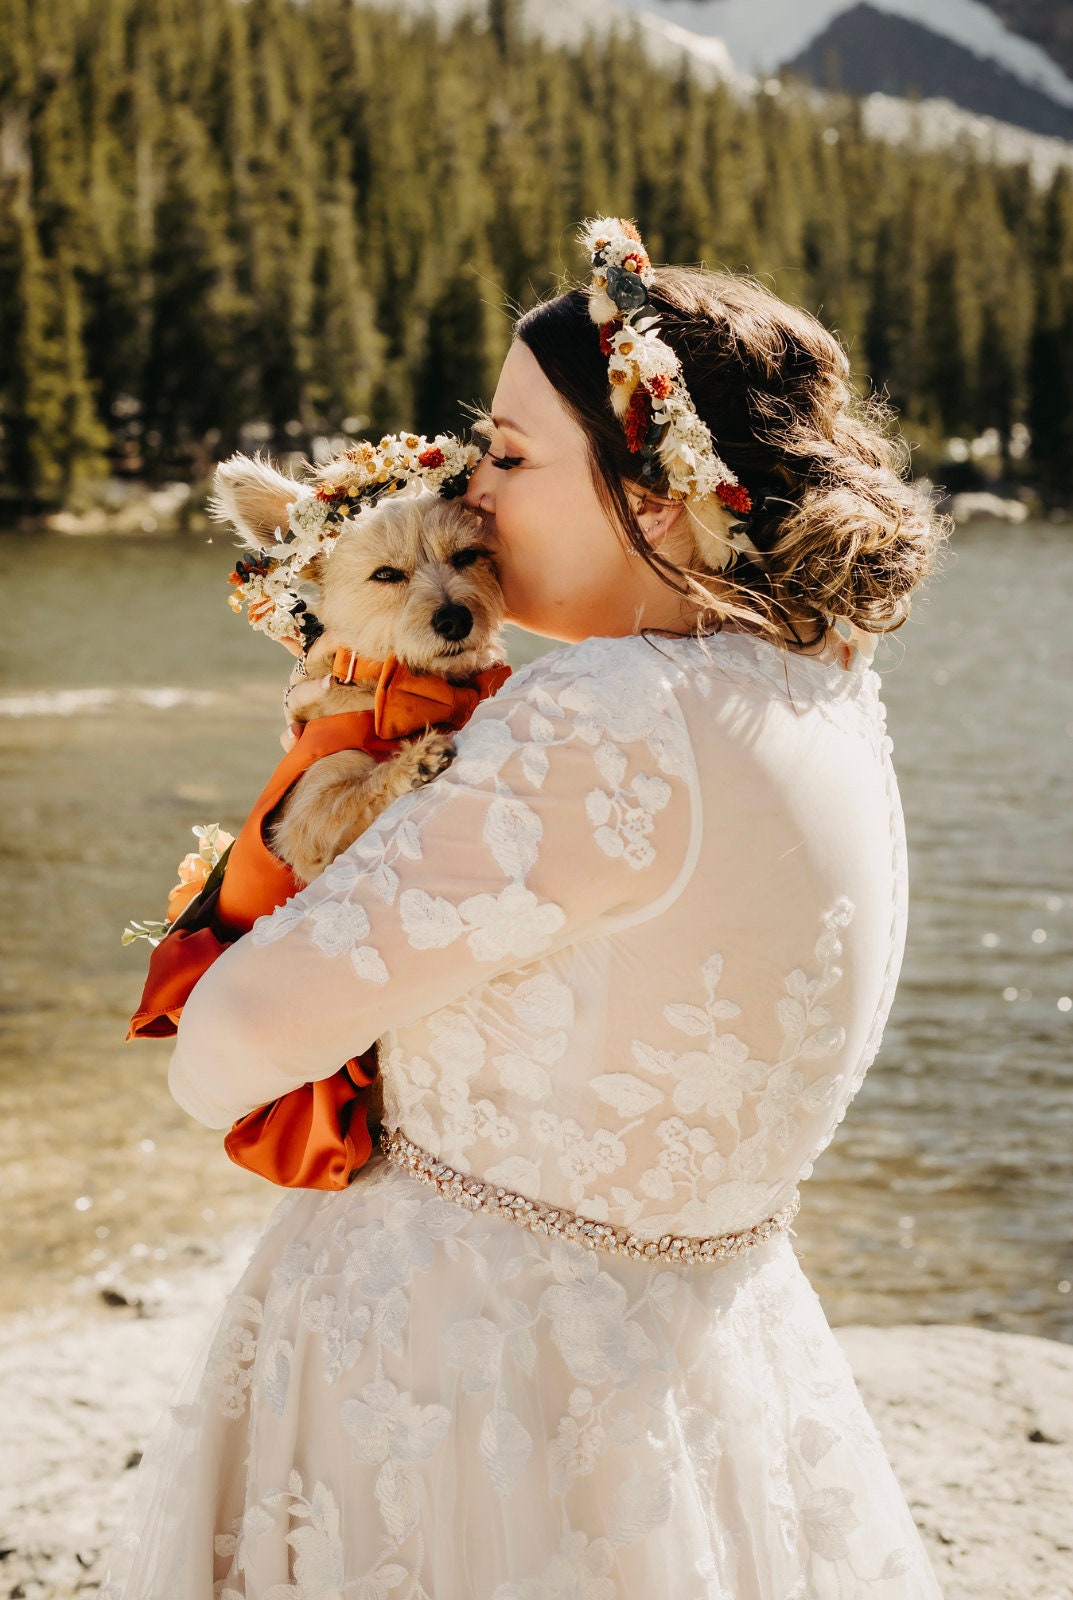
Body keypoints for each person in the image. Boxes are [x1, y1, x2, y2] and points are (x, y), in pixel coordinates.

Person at [103, 219, 946, 1598]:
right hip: (704, 1360)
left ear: (653, 496)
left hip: (454, 1370)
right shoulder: (825, 686)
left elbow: (228, 1049)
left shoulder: (606, 711)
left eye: (505, 453)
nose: (472, 493)